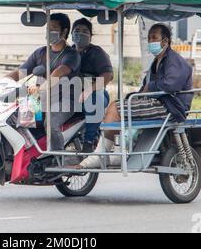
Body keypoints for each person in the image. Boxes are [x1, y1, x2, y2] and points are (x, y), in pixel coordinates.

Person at [76, 23, 194, 169]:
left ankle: (101, 154)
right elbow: (145, 88)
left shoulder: (174, 60)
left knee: (116, 108)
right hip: (158, 103)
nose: (151, 42)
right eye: (149, 38)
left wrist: (148, 88)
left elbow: (172, 84)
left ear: (165, 41)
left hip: (170, 107)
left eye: (154, 38)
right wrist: (137, 95)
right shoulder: (156, 62)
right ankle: (114, 151)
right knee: (116, 106)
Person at [5, 13, 81, 154]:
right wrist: (1, 82)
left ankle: (58, 160)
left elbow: (58, 73)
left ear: (64, 31)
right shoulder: (40, 53)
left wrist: (41, 87)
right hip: (41, 100)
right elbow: (20, 72)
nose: (48, 32)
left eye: (52, 28)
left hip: (65, 101)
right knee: (11, 118)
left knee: (51, 123)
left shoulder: (71, 55)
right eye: (47, 28)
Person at [71, 18, 114, 153]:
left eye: (85, 31)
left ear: (91, 35)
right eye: (77, 31)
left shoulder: (97, 53)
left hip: (96, 94)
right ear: (71, 33)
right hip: (72, 95)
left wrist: (89, 90)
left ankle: (90, 140)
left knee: (93, 99)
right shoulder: (68, 53)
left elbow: (108, 75)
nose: (80, 34)